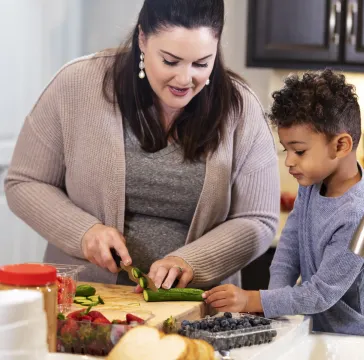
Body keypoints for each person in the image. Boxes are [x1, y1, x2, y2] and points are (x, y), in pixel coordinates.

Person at [4, 0, 279, 290]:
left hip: (196, 311)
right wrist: (84, 232)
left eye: (201, 63)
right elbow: (25, 181)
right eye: (170, 61)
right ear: (143, 39)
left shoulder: (241, 108)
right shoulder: (77, 85)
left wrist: (191, 262)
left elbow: (257, 219)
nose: (185, 79)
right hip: (85, 304)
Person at [203, 70, 364, 339]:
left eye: (298, 151)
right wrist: (272, 304)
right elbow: (289, 248)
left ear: (341, 145)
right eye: (286, 149)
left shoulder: (357, 213)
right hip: (327, 335)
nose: (288, 161)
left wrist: (254, 300)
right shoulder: (312, 183)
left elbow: (320, 295)